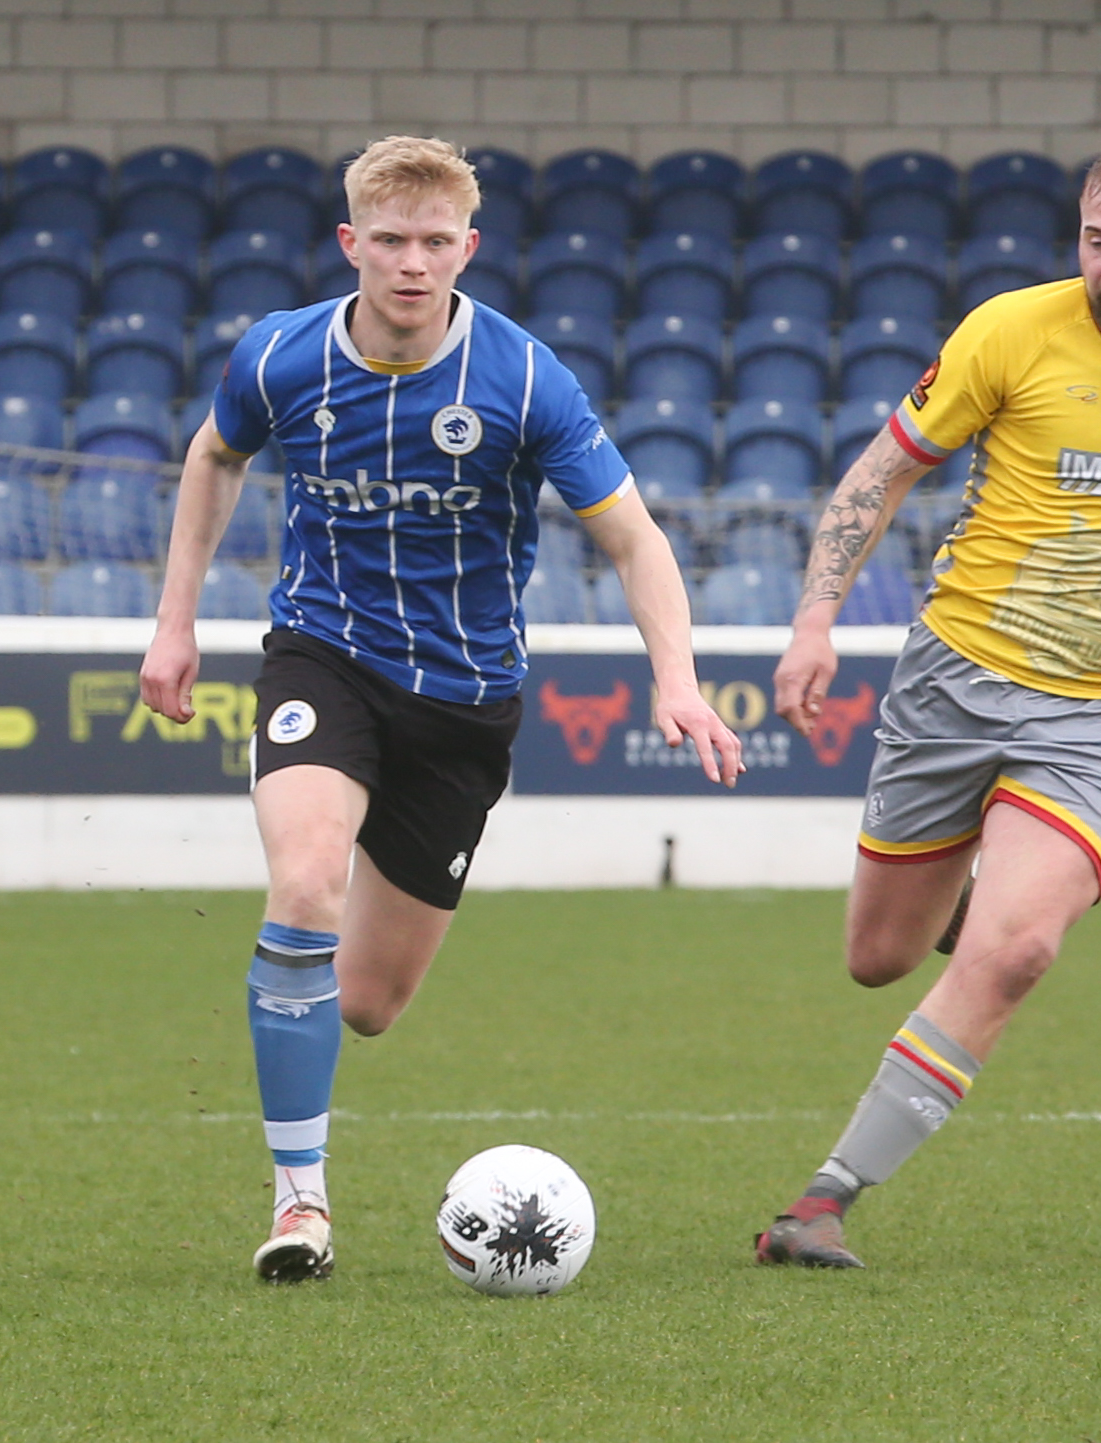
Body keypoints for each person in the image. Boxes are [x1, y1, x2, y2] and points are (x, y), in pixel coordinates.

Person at [140, 135, 741, 1283]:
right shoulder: (280, 356)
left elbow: (633, 535)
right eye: (390, 240)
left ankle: (318, 1098)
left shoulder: (523, 378)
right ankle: (300, 1203)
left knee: (365, 1004)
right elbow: (214, 456)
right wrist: (176, 622)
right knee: (306, 878)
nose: (411, 264)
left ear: (469, 248)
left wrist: (676, 679)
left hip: (465, 705)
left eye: (434, 244)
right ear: (349, 243)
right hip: (326, 658)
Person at [754, 135, 1101, 1268]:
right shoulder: (1009, 329)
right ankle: (969, 902)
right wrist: (816, 618)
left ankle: (823, 1203)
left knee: (1015, 953)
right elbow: (881, 475)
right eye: (1096, 241)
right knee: (877, 958)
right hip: (956, 679)